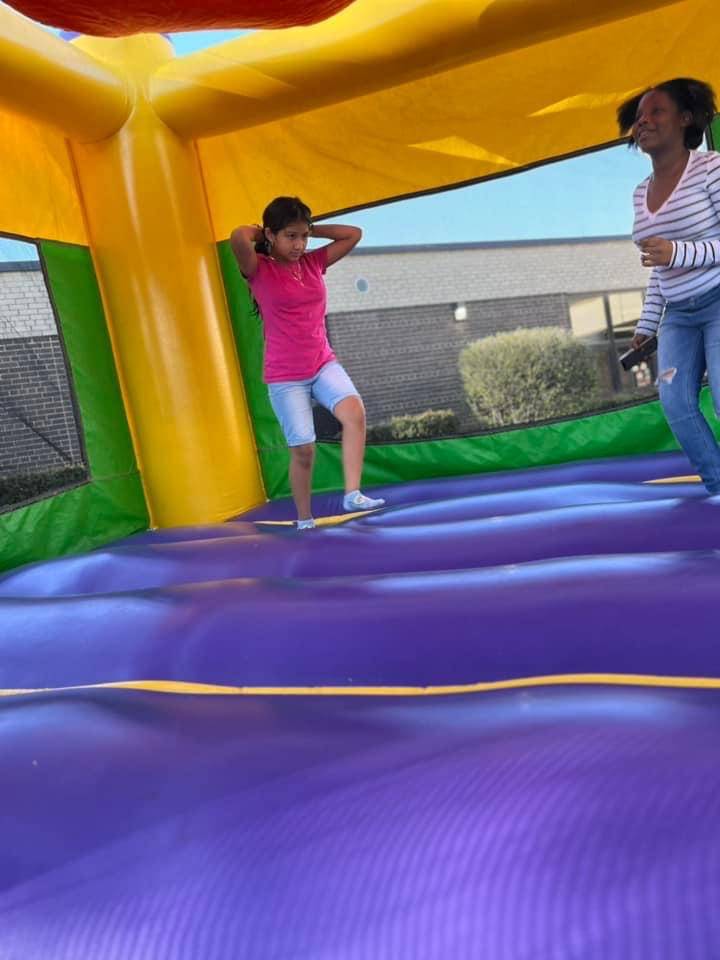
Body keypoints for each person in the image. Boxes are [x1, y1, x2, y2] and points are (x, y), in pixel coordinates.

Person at [230, 196, 385, 529]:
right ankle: (304, 518)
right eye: (291, 236)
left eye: (303, 236)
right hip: (286, 376)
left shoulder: (313, 263)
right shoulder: (259, 270)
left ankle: (353, 493)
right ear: (271, 235)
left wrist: (310, 229)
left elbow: (352, 233)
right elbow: (238, 237)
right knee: (304, 451)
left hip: (322, 363)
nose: (300, 244)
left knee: (354, 413)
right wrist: (262, 236)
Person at [617, 77, 720, 494]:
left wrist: (677, 252)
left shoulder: (711, 169)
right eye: (639, 117)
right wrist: (647, 324)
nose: (644, 122)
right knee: (675, 403)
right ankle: (718, 488)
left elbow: (670, 255)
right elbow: (659, 269)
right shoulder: (640, 194)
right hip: (678, 315)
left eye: (656, 111)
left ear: (685, 119)